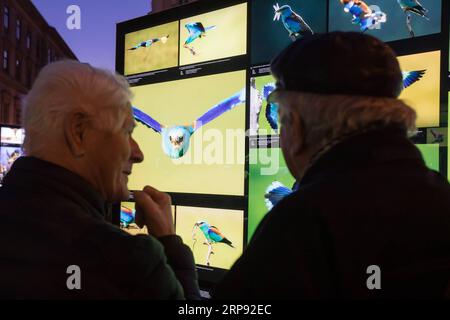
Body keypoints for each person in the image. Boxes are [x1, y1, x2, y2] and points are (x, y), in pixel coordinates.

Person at [213, 32, 450, 299]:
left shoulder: (303, 220)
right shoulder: (441, 195)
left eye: (282, 120)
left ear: (297, 125)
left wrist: (169, 248)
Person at [0, 60, 200, 299]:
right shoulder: (128, 264)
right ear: (79, 132)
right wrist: (170, 244)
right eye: (127, 132)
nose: (138, 154)